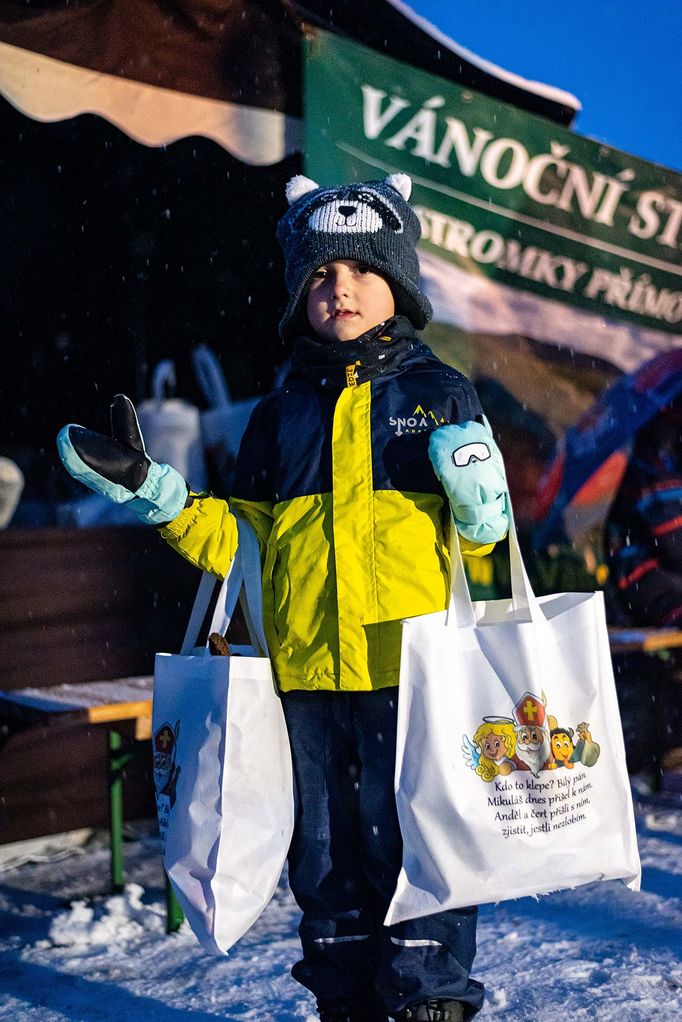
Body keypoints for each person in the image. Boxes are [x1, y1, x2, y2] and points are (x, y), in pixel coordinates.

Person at [57, 173, 510, 1022]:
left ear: (399, 283)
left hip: (409, 679)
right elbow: (243, 543)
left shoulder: (439, 392)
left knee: (420, 849)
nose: (338, 289)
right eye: (319, 276)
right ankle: (341, 997)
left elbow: (483, 540)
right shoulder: (279, 414)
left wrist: (482, 499)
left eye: (360, 271)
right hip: (302, 681)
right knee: (327, 858)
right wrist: (160, 493)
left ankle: (431, 1002)